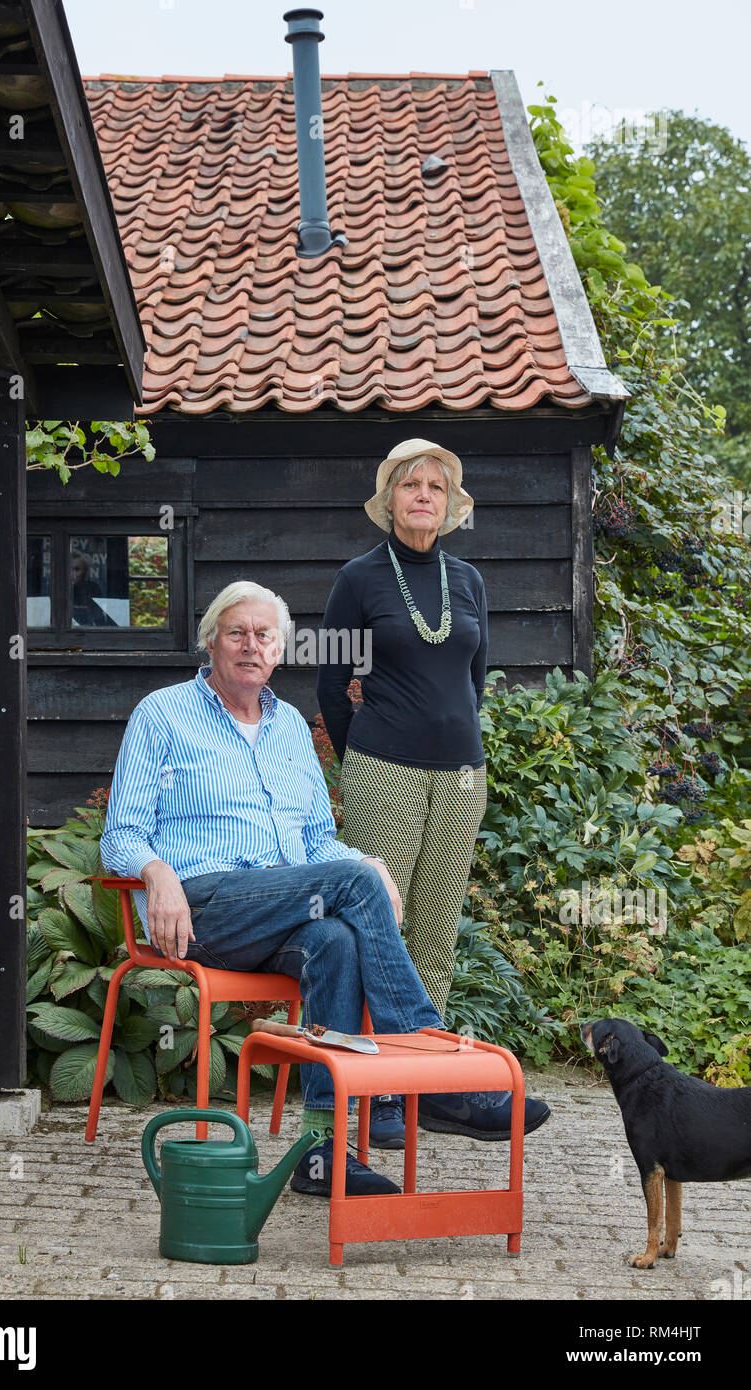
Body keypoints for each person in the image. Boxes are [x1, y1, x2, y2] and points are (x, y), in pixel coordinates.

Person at [100, 580, 454, 1198]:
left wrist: (365, 863)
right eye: (236, 632)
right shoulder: (162, 714)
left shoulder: (290, 725)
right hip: (200, 910)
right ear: (211, 642)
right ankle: (421, 1061)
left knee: (335, 940)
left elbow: (318, 842)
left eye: (264, 635)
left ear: (280, 650)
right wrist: (156, 873)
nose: (250, 645)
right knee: (353, 882)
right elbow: (122, 833)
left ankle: (322, 1154)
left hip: (281, 916)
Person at [317, 438, 550, 1149]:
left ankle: (418, 1082)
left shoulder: (469, 581)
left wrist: (452, 743)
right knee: (375, 927)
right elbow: (331, 683)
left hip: (462, 774)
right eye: (410, 484)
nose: (423, 494)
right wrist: (370, 752)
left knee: (436, 933)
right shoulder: (358, 579)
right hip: (383, 769)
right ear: (388, 500)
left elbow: (474, 682)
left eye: (436, 486)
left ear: (450, 505)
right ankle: (375, 1093)